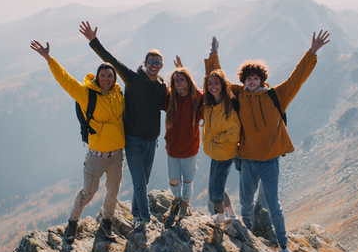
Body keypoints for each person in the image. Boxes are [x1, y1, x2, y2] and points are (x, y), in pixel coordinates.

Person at [205, 30, 330, 252]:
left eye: (255, 78)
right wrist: (213, 54)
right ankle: (249, 242)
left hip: (269, 161)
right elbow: (217, 80)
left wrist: (311, 52)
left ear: (261, 79)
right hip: (248, 160)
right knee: (246, 205)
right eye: (248, 78)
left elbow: (297, 78)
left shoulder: (276, 96)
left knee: (274, 205)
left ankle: (283, 245)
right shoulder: (238, 96)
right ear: (243, 80)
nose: (252, 81)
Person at [30, 39, 124, 243]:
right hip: (97, 156)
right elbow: (66, 80)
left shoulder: (118, 94)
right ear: (98, 78)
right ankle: (72, 223)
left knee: (112, 192)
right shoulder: (86, 94)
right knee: (88, 193)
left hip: (117, 155)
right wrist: (49, 59)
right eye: (103, 76)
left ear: (114, 78)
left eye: (110, 76)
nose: (106, 79)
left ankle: (106, 223)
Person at [80, 21, 167, 226]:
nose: (153, 65)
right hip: (134, 140)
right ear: (145, 63)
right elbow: (112, 61)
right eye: (150, 62)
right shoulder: (133, 79)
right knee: (139, 183)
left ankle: (136, 214)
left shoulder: (162, 87)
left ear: (161, 66)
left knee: (143, 182)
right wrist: (94, 42)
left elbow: (176, 102)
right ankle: (144, 220)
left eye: (157, 62)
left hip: (151, 141)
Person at [202, 37, 241, 225]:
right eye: (210, 84)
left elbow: (234, 131)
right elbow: (213, 71)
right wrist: (213, 53)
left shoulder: (228, 104)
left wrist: (216, 141)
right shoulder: (211, 103)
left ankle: (220, 219)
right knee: (216, 187)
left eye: (217, 83)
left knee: (215, 192)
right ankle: (232, 215)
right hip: (216, 152)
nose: (213, 86)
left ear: (223, 84)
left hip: (224, 153)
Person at [163, 58, 203, 227]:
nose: (178, 83)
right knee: (173, 179)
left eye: (182, 80)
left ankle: (185, 203)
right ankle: (177, 199)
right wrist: (180, 73)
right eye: (175, 81)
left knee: (188, 179)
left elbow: (203, 93)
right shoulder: (170, 98)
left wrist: (181, 70)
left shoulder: (196, 99)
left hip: (189, 147)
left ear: (188, 82)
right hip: (172, 147)